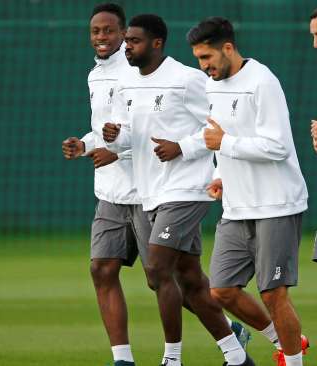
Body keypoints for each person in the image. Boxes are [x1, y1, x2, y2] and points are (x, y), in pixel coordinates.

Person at [102, 14, 254, 366]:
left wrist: (181, 147)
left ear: (156, 43)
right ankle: (236, 355)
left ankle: (172, 358)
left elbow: (217, 129)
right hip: (150, 191)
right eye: (126, 41)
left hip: (187, 189)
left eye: (134, 41)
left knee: (157, 269)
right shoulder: (125, 84)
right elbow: (130, 137)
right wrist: (115, 137)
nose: (127, 47)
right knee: (188, 279)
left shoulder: (187, 80)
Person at [188, 17, 309, 366]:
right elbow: (223, 141)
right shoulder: (211, 87)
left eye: (207, 57)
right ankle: (285, 339)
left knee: (273, 294)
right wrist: (220, 173)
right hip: (237, 207)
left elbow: (277, 147)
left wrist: (224, 142)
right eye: (199, 59)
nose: (204, 66)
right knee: (221, 290)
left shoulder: (262, 82)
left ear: (228, 48)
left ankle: (292, 360)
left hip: (276, 204)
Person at [61, 4, 147, 365]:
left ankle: (226, 328)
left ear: (124, 33)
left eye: (108, 31)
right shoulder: (95, 75)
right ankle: (122, 358)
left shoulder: (140, 71)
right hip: (110, 192)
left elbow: (150, 130)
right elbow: (103, 132)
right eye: (95, 31)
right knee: (102, 268)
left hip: (148, 188)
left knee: (171, 279)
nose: (100, 37)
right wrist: (85, 146)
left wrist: (118, 154)